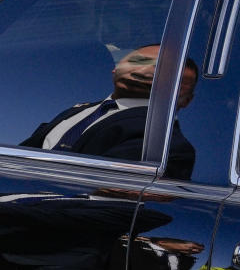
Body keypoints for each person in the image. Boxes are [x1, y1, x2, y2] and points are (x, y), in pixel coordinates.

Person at [21, 44, 198, 180]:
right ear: (116, 67)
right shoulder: (79, 110)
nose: (145, 72)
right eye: (138, 61)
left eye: (165, 73)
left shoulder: (167, 145)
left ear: (187, 100)